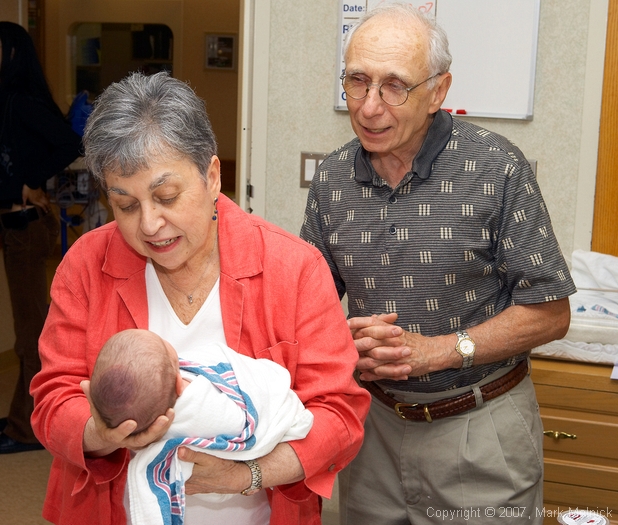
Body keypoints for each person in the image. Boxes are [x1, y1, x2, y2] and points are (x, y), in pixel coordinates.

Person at [30, 70, 370, 525]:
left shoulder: (294, 268)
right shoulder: (86, 265)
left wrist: (245, 475)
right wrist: (104, 433)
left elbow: (339, 415)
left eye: (166, 196)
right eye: (126, 205)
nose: (149, 224)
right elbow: (53, 399)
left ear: (212, 176)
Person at [300, 5, 576, 525]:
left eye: (394, 86)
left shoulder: (497, 168)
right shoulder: (334, 177)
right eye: (357, 82)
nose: (369, 106)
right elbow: (307, 305)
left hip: (478, 429)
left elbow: (550, 313)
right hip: (372, 430)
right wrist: (342, 343)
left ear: (438, 91)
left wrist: (441, 352)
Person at [89, 329, 314, 525]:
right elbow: (237, 421)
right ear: (179, 383)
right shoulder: (200, 400)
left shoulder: (144, 410)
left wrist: (244, 475)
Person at [0, 21, 82, 454]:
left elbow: (70, 143)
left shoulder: (22, 101)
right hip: (16, 226)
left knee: (31, 331)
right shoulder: (9, 100)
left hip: (27, 226)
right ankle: (19, 417)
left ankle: (27, 427)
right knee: (28, 326)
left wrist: (31, 180)